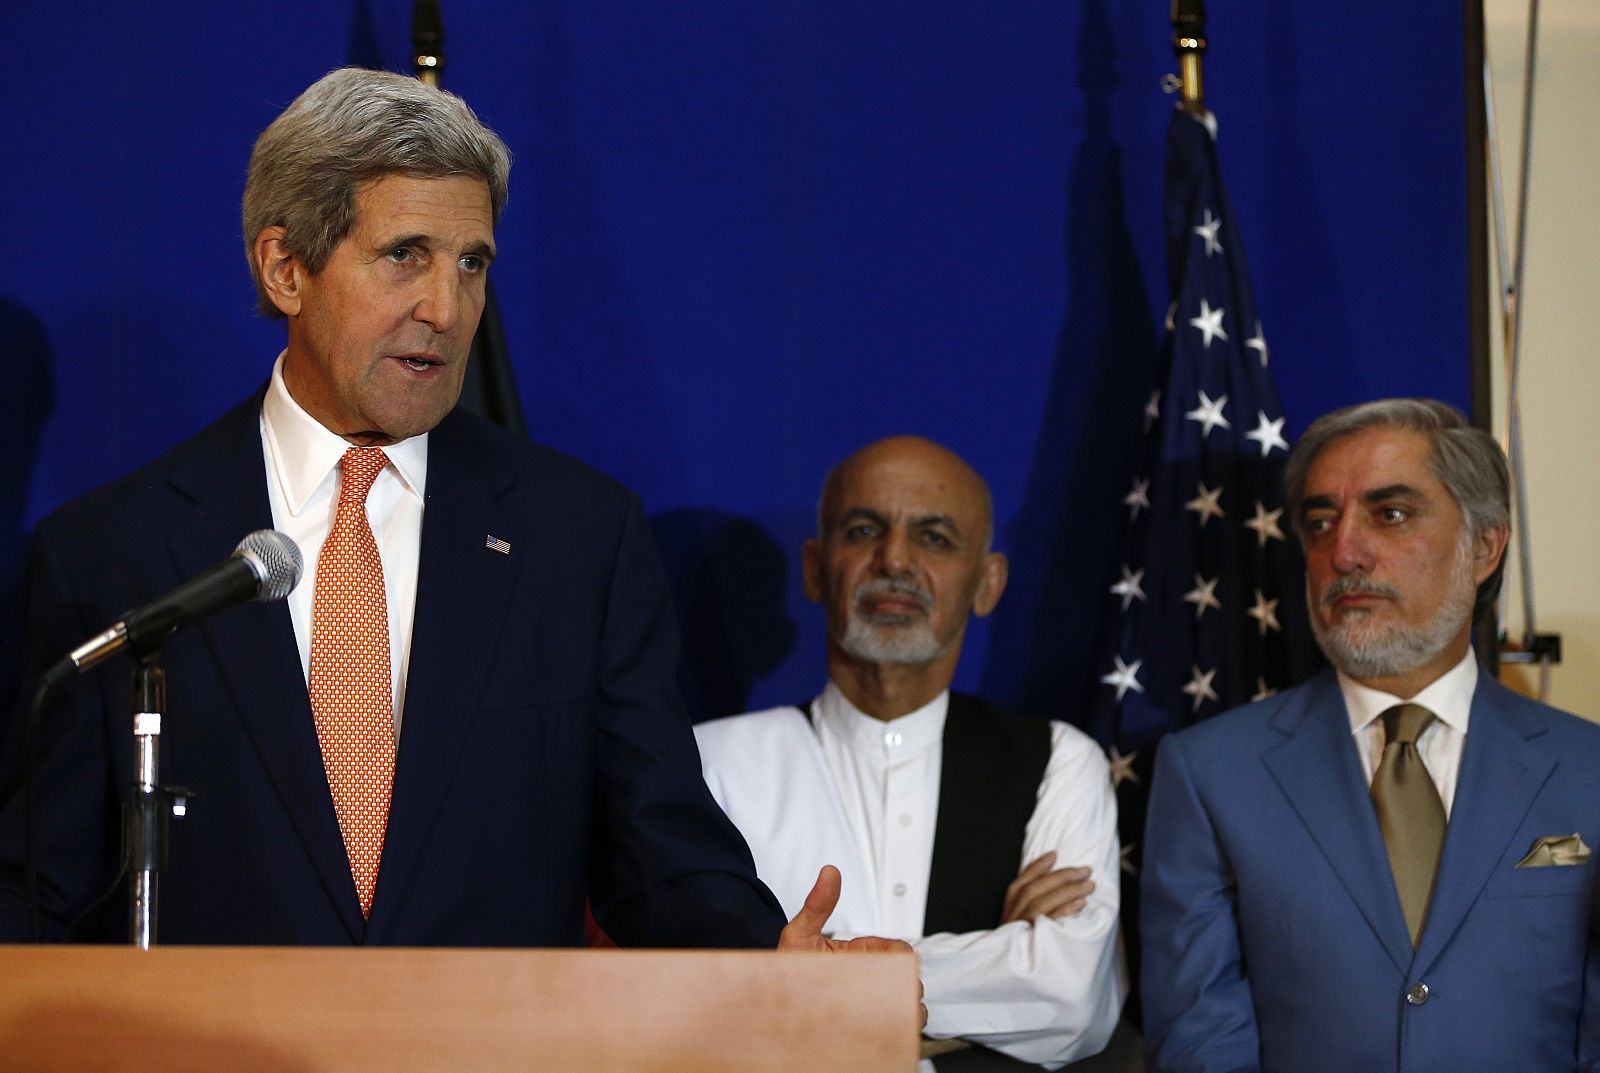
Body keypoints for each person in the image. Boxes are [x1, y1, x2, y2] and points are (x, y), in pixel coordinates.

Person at [0, 68, 895, 960]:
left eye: (472, 263)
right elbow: (42, 889)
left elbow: (657, 848)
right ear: (285, 269)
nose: (447, 308)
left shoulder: (577, 537)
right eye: (405, 255)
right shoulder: (109, 555)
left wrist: (772, 958)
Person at [1140, 398, 1600, 1072]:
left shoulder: (1587, 767)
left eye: (1390, 514)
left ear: (1484, 545)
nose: (1344, 552)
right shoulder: (1210, 772)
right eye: (1321, 523)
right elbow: (1199, 1043)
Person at [695, 435, 1128, 1070]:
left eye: (934, 537)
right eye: (865, 528)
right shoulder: (712, 764)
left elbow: (1071, 998)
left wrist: (811, 972)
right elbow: (698, 993)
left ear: (988, 583)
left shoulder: (1059, 762)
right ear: (816, 568)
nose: (894, 559)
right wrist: (1002, 956)